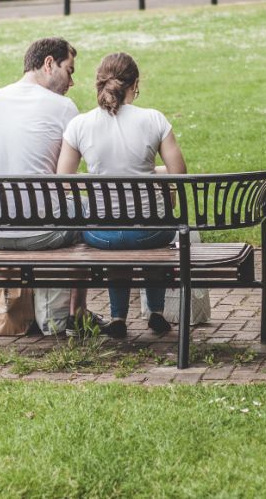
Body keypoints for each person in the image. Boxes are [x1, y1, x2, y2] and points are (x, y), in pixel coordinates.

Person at [0, 37, 92, 334]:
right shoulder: (63, 107)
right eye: (69, 70)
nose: (71, 81)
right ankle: (75, 313)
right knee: (88, 213)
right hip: (45, 232)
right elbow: (67, 181)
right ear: (49, 63)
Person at [56, 52, 187, 338]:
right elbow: (179, 173)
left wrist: (98, 181)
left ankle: (118, 316)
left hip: (102, 234)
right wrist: (149, 173)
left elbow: (64, 181)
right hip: (152, 233)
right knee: (153, 233)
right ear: (135, 83)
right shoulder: (154, 119)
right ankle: (156, 312)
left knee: (117, 240)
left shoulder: (80, 125)